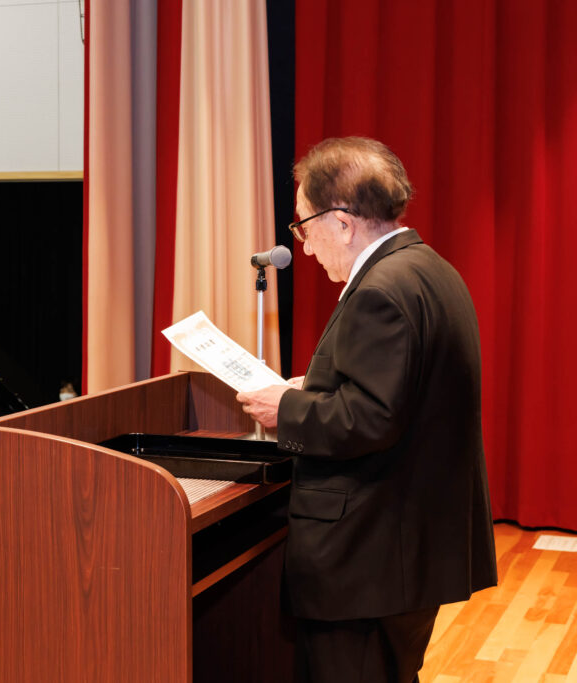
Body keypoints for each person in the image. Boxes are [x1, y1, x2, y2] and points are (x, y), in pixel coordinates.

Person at [235, 137, 497, 683]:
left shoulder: (380, 290)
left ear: (343, 222)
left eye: (304, 225)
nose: (305, 246)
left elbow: (371, 418)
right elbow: (404, 391)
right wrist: (318, 385)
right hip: (410, 545)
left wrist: (287, 409)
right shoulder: (430, 270)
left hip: (369, 553)